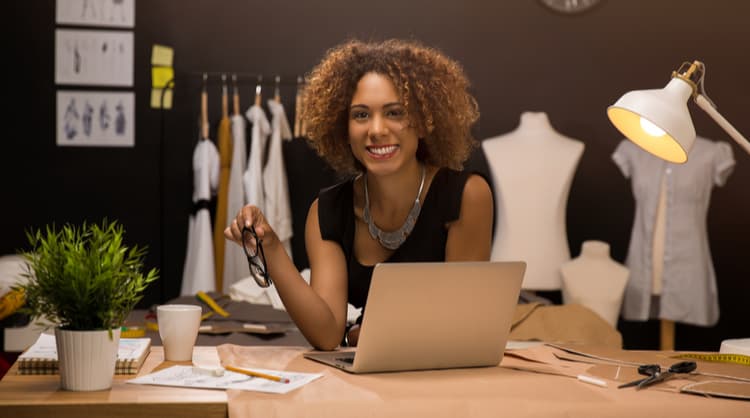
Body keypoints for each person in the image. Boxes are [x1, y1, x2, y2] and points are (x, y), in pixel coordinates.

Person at [225, 39, 494, 350]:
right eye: (361, 115)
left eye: (395, 113)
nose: (376, 130)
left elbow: (462, 325)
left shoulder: (465, 197)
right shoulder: (328, 211)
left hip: (444, 382)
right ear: (344, 128)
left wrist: (363, 333)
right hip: (366, 384)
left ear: (423, 123)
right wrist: (269, 248)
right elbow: (326, 335)